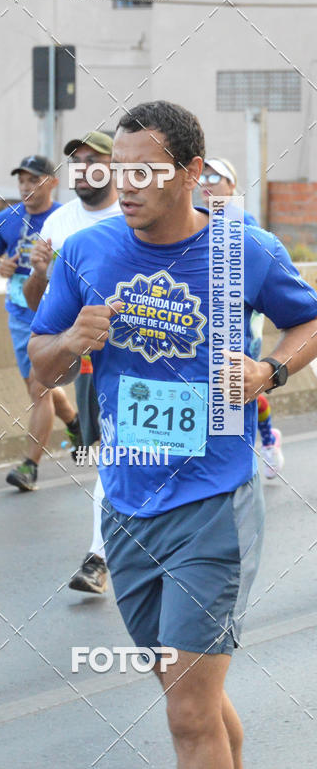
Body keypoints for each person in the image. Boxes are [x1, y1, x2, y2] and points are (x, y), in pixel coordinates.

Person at [29, 101, 317, 769]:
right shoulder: (86, 252)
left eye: (144, 171)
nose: (124, 184)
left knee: (188, 712)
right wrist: (72, 339)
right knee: (191, 697)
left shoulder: (244, 249)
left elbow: (308, 322)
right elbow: (42, 364)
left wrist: (267, 369)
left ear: (189, 173)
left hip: (214, 504)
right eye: (115, 170)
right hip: (126, 507)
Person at [23, 131, 122, 595]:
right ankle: (99, 555)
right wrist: (41, 274)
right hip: (88, 363)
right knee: (110, 456)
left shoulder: (135, 214)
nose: (83, 168)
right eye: (77, 161)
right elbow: (36, 304)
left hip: (148, 356)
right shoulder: (60, 223)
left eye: (93, 159)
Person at [0, 155, 81, 492]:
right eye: (22, 180)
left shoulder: (66, 218)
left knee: (40, 389)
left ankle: (30, 466)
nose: (27, 187)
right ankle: (75, 421)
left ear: (52, 182)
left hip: (54, 310)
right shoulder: (5, 219)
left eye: (34, 180)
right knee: (37, 387)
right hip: (19, 311)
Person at [200, 157, 284, 478]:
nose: (206, 183)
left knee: (242, 389)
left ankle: (265, 441)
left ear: (232, 185)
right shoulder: (192, 222)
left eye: (215, 177)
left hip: (241, 324)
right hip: (203, 326)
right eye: (202, 177)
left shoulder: (246, 225)